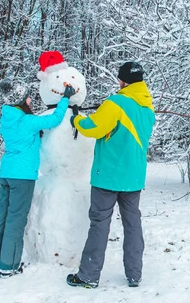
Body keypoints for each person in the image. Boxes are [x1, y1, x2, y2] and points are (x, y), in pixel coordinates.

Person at [67, 62, 155, 289]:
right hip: (134, 177)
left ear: (123, 81)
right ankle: (135, 274)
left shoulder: (116, 103)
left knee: (99, 224)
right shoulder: (147, 108)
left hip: (108, 176)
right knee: (133, 224)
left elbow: (94, 128)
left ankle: (88, 276)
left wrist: (76, 119)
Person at [0, 78, 76, 277]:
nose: (31, 99)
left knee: (1, 216)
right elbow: (55, 119)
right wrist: (65, 98)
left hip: (6, 172)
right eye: (27, 97)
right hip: (22, 176)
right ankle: (8, 265)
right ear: (20, 101)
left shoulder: (7, 119)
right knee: (16, 218)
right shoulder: (27, 121)